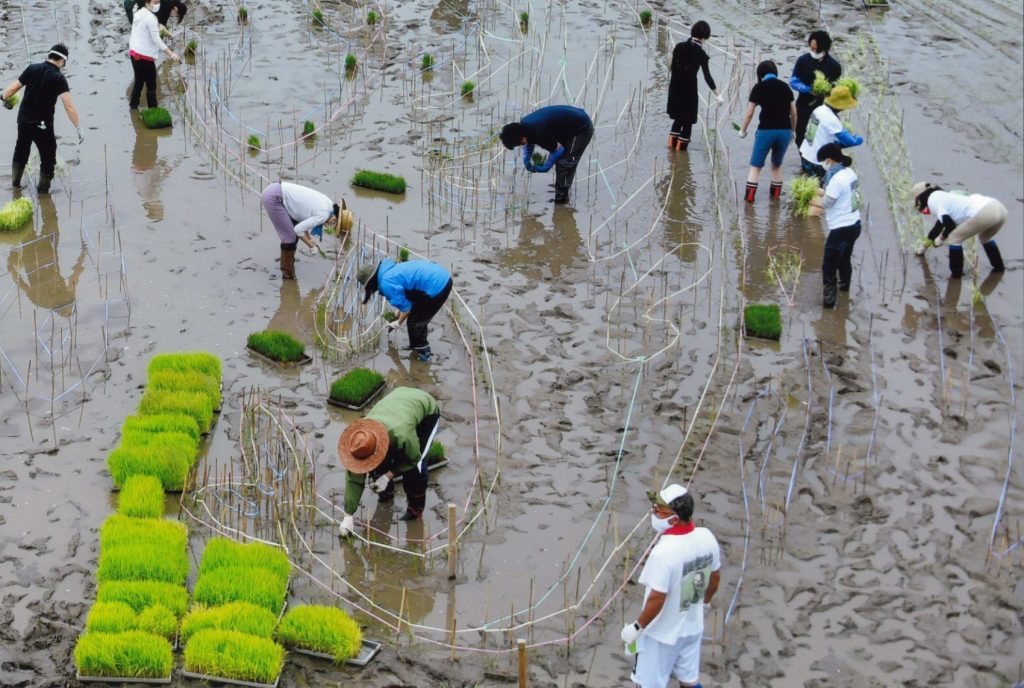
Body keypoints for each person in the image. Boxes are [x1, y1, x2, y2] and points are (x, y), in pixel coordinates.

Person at [620, 485, 721, 688]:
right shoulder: (707, 537)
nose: (653, 513)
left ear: (674, 519)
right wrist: (705, 604)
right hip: (692, 628)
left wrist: (637, 627)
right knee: (689, 681)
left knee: (649, 684)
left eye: (658, 510)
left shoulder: (663, 552)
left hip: (661, 636)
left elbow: (657, 598)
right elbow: (715, 577)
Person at [337, 387, 441, 534]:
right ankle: (386, 492)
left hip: (425, 410)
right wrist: (348, 516)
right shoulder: (360, 437)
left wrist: (388, 475)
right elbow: (354, 478)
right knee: (376, 464)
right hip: (396, 404)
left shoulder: (402, 435)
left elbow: (412, 459)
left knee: (415, 470)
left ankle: (415, 510)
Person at [2, 44, 82, 193]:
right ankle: (43, 192)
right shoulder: (59, 78)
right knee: (48, 156)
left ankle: (15, 185)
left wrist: (3, 97)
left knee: (21, 150)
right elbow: (69, 106)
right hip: (43, 125)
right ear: (62, 61)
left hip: (24, 121)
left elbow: (13, 88)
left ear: (50, 55)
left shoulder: (32, 68)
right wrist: (78, 126)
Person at [357, 258, 453, 362]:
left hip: (437, 286)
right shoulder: (388, 271)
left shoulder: (386, 283)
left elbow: (407, 309)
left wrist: (398, 322)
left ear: (371, 282)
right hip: (440, 276)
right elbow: (406, 291)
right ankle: (415, 346)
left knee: (414, 322)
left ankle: (424, 353)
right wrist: (399, 310)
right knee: (418, 316)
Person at [499, 105, 594, 204]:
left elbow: (558, 150)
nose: (521, 145)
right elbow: (529, 140)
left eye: (518, 144)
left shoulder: (539, 132)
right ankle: (561, 186)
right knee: (561, 161)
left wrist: (546, 166)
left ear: (521, 138)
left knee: (564, 163)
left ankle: (561, 202)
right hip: (569, 125)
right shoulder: (524, 125)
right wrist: (527, 159)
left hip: (581, 129)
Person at [911, 182, 1006, 277]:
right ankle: (999, 268)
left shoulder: (932, 200)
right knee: (984, 238)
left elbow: (950, 225)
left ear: (921, 196)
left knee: (954, 238)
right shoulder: (945, 196)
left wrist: (941, 239)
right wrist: (923, 247)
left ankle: (956, 274)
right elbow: (939, 225)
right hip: (999, 209)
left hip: (985, 211)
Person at [807, 144, 861, 308]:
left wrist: (806, 200)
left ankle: (829, 302)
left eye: (824, 161)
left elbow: (826, 204)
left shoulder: (836, 179)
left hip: (840, 228)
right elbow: (840, 195)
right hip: (855, 224)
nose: (824, 165)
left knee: (829, 265)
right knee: (845, 258)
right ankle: (845, 286)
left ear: (829, 160)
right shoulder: (849, 173)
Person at [738, 60, 796, 203]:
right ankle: (775, 199)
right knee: (776, 166)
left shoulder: (759, 87)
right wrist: (793, 131)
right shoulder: (785, 87)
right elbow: (794, 113)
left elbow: (749, 114)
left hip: (766, 131)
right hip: (784, 131)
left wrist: (742, 130)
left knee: (756, 167)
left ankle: (749, 200)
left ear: (760, 74)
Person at [260, 181, 343, 280]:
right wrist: (311, 246)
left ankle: (289, 266)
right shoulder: (323, 215)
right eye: (333, 224)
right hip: (274, 198)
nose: (330, 225)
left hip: (276, 189)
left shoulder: (328, 204)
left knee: (294, 236)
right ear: (334, 218)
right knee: (290, 238)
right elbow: (298, 230)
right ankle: (288, 277)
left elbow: (302, 221)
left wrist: (309, 238)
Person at [666, 20, 722, 152]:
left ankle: (671, 153)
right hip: (689, 92)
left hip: (674, 90)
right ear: (704, 38)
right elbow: (707, 77)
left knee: (678, 120)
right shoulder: (701, 55)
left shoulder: (678, 47)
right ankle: (680, 157)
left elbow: (672, 68)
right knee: (687, 124)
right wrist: (718, 95)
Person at [797, 85, 862, 179]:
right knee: (821, 189)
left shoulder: (819, 109)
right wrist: (858, 139)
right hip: (818, 160)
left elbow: (811, 135)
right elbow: (850, 141)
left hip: (806, 153)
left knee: (809, 185)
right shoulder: (831, 119)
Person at [790, 30, 842, 147]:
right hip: (803, 105)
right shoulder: (803, 61)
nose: (813, 52)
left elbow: (836, 87)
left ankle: (810, 161)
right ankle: (803, 158)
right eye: (811, 48)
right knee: (800, 135)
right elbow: (793, 81)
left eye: (817, 50)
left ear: (825, 49)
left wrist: (826, 91)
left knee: (812, 137)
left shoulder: (834, 66)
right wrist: (807, 89)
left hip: (822, 108)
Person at [128, 0, 180, 110]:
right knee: (151, 84)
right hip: (144, 56)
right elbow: (156, 39)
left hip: (134, 53)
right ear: (148, 2)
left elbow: (149, 28)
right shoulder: (150, 18)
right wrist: (171, 54)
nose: (157, 4)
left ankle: (133, 106)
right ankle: (153, 109)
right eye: (155, 2)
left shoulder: (139, 13)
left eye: (158, 2)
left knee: (139, 81)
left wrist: (165, 32)